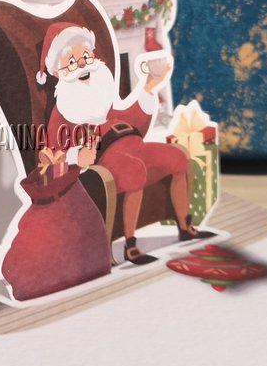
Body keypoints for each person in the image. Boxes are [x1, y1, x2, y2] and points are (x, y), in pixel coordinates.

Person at [35, 23, 212, 265]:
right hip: (105, 161)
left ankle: (185, 226)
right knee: (133, 171)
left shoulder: (102, 100)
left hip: (134, 145)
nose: (83, 65)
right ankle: (130, 245)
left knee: (178, 157)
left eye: (86, 57)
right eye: (73, 62)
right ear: (57, 71)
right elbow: (49, 158)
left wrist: (148, 87)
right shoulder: (63, 113)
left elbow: (134, 121)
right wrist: (76, 156)